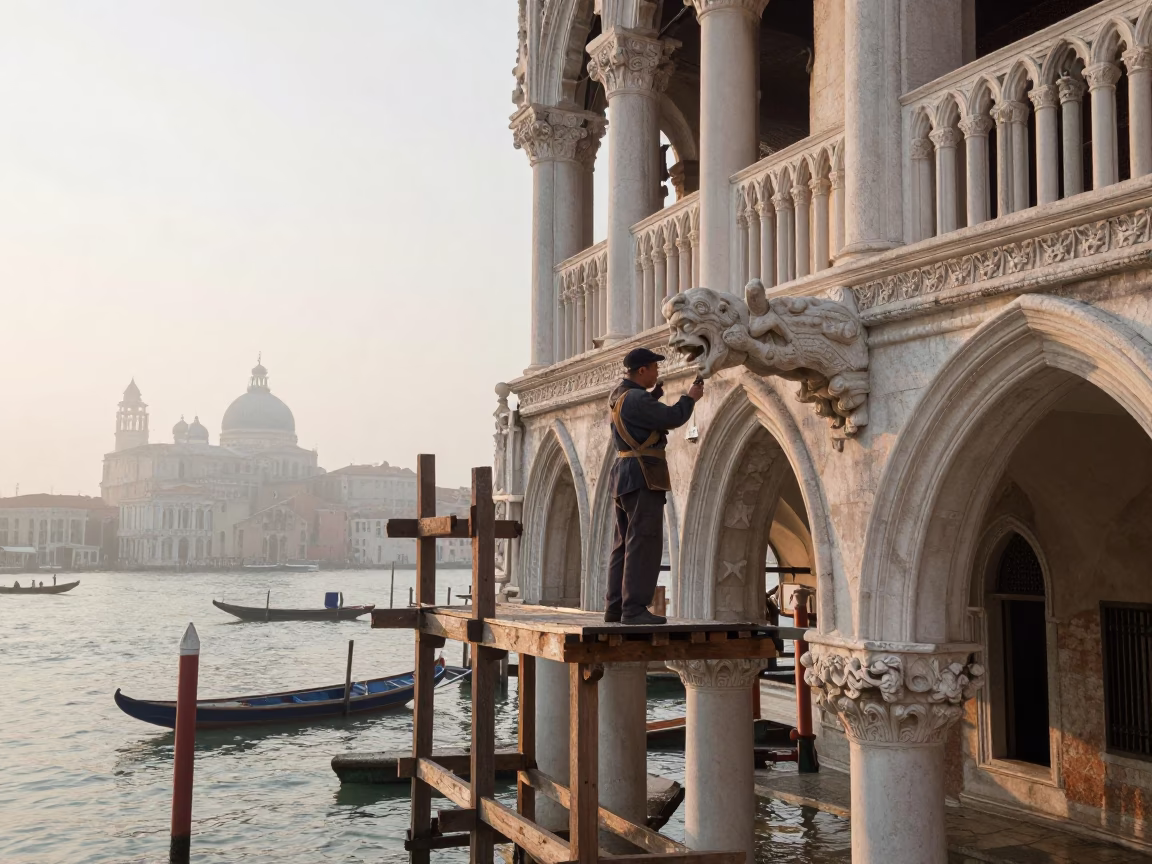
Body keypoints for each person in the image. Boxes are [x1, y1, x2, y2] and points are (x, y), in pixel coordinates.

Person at [605, 347, 704, 625]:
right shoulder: (636, 399)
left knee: (623, 543)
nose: (657, 373)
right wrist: (690, 398)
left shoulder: (619, 394)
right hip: (642, 475)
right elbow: (673, 418)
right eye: (654, 368)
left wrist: (655, 395)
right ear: (642, 371)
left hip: (623, 475)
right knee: (643, 542)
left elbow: (637, 414)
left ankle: (615, 607)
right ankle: (634, 609)